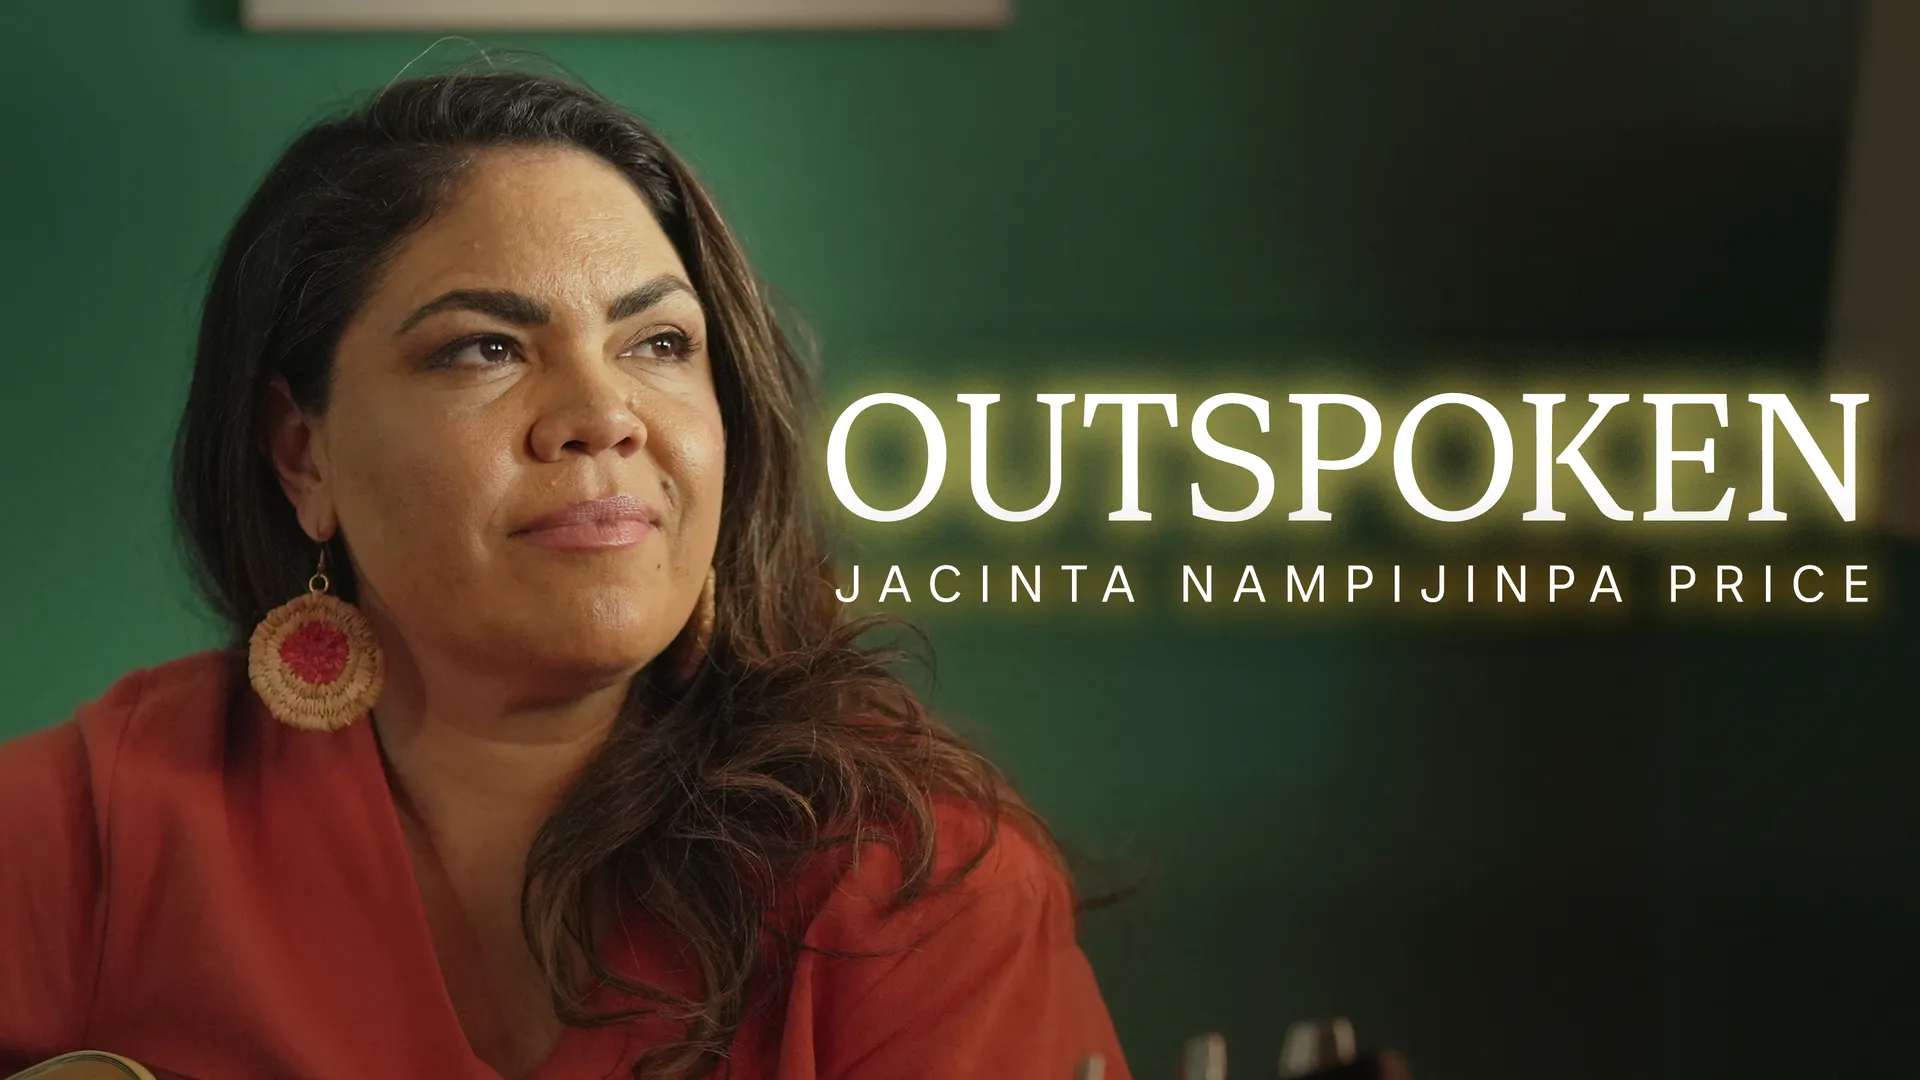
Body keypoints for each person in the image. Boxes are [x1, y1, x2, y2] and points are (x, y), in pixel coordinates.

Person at [0, 70, 1130, 1080]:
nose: (602, 418)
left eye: (659, 345)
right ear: (305, 455)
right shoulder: (96, 827)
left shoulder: (910, 883)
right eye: (483, 348)